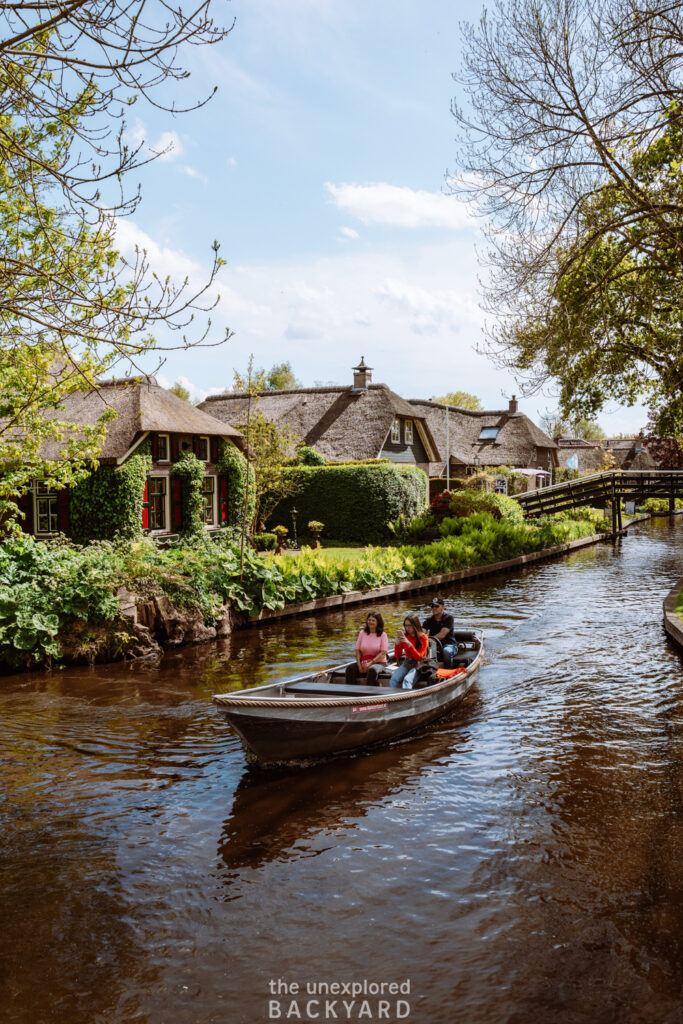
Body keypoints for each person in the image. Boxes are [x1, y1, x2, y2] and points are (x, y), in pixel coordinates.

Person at [346, 611, 389, 685]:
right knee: (350, 668)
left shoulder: (383, 635)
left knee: (372, 670)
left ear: (378, 622)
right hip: (363, 662)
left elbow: (383, 653)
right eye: (369, 620)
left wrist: (370, 663)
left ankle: (369, 692)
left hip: (379, 663)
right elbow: (357, 650)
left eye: (373, 620)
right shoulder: (362, 633)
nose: (370, 622)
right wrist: (359, 665)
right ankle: (351, 691)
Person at [389, 615, 429, 689]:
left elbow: (419, 657)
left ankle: (407, 700)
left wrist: (409, 644)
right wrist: (397, 644)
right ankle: (393, 699)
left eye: (410, 625)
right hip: (407, 663)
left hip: (419, 665)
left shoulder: (423, 637)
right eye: (406, 625)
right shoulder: (404, 636)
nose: (407, 628)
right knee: (393, 679)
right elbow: (397, 656)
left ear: (415, 625)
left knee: (407, 680)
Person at [422, 597, 457, 668]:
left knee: (446, 651)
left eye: (437, 606)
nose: (434, 608)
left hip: (449, 645)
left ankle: (447, 672)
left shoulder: (449, 618)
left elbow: (442, 635)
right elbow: (422, 632)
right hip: (433, 645)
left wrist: (427, 640)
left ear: (443, 608)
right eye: (432, 606)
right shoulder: (429, 620)